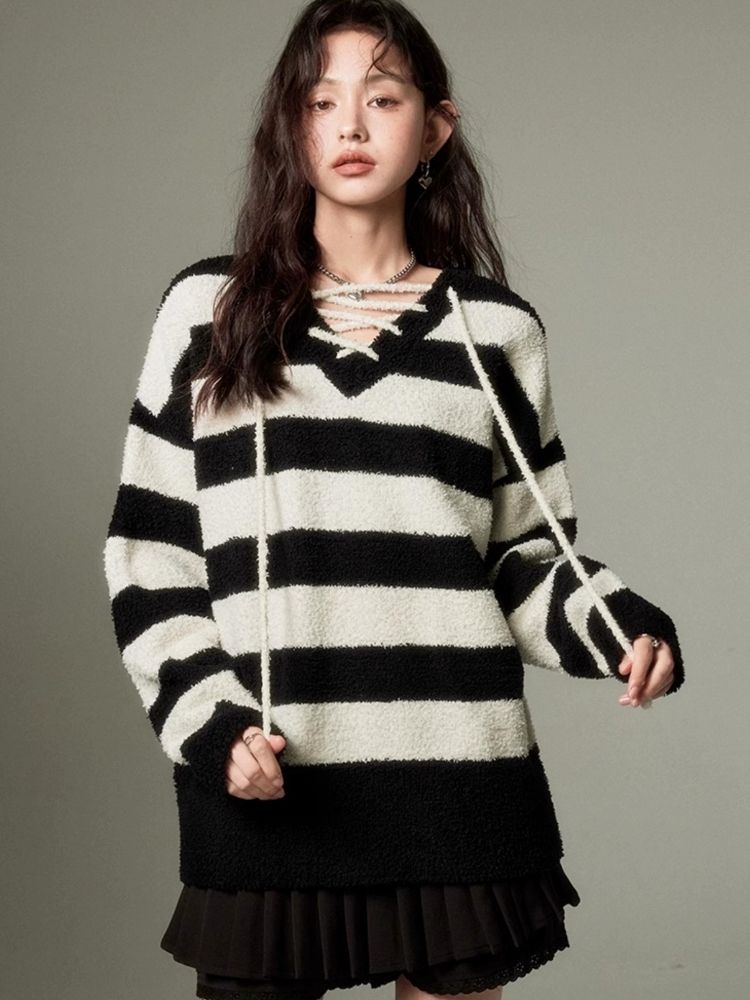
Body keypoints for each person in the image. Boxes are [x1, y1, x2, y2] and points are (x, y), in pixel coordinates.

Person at [102, 2, 685, 998]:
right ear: (289, 126)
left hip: (458, 778)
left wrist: (620, 627)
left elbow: (525, 555)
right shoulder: (208, 313)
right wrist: (210, 724)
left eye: (382, 98)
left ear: (436, 126)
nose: (351, 125)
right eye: (319, 100)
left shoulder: (494, 332)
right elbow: (152, 558)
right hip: (271, 772)